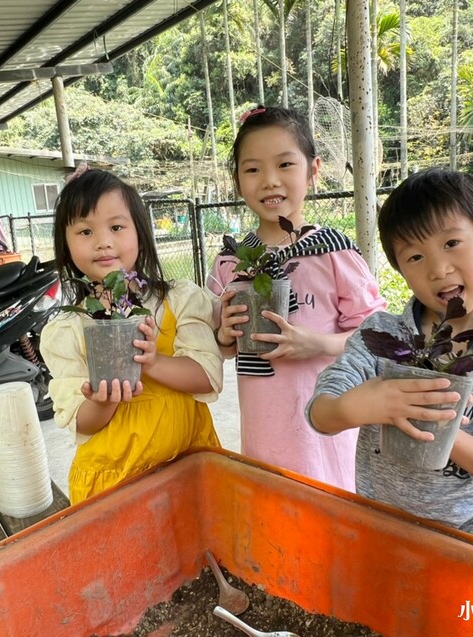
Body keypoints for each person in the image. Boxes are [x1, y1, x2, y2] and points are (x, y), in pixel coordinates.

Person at [307, 167, 473, 547]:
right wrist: (358, 407)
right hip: (382, 534)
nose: (438, 269)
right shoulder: (382, 337)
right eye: (415, 257)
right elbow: (320, 414)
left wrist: (439, 425)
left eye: (451, 243)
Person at [208, 106, 386, 491]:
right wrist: (223, 334)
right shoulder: (230, 261)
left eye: (285, 164)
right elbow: (220, 348)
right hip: (264, 432)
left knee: (331, 517)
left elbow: (375, 336)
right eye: (253, 169)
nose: (270, 181)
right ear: (237, 181)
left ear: (313, 170)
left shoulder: (332, 251)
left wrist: (316, 344)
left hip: (325, 429)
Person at [40, 170, 223, 504]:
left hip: (189, 467)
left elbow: (206, 377)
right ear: (66, 246)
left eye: (117, 227)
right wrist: (103, 398)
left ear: (140, 233)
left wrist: (150, 361)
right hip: (113, 481)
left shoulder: (179, 300)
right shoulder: (68, 328)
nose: (103, 241)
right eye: (85, 231)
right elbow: (84, 421)